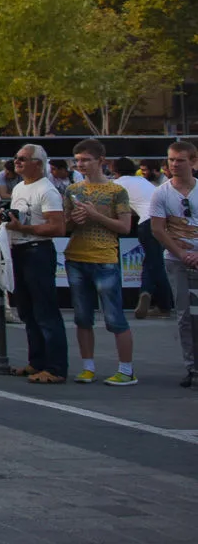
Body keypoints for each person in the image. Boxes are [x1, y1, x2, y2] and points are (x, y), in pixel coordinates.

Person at [63, 139, 137, 386]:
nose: (81, 164)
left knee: (115, 317)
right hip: (76, 257)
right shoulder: (73, 189)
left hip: (105, 257)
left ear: (100, 161)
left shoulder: (117, 191)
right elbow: (66, 226)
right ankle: (88, 366)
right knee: (82, 317)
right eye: (78, 160)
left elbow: (125, 227)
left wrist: (95, 215)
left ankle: (126, 369)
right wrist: (74, 219)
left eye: (86, 159)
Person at [2, 143, 68, 384]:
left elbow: (58, 226)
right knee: (27, 311)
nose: (17, 162)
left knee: (45, 311)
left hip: (38, 250)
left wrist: (24, 228)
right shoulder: (19, 187)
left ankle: (56, 367)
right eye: (16, 158)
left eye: (22, 158)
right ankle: (37, 361)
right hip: (19, 249)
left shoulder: (46, 190)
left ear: (38, 163)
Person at [145, 140, 198, 387]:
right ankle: (192, 366)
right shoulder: (161, 193)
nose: (174, 165)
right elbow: (158, 229)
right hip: (176, 260)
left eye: (180, 160)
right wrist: (180, 253)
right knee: (185, 315)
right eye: (171, 160)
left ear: (193, 162)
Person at [113, 157, 172, 320]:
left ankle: (160, 302)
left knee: (156, 264)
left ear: (115, 171)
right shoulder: (142, 181)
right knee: (153, 261)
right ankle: (152, 297)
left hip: (148, 222)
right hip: (165, 221)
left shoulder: (118, 184)